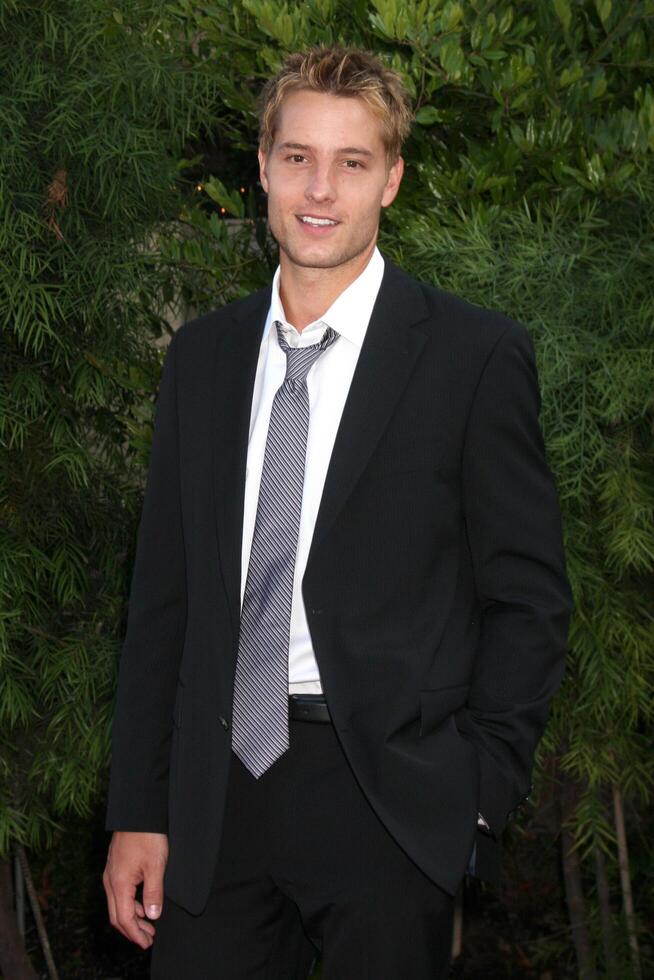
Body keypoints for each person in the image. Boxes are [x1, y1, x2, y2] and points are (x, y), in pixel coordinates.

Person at [103, 46, 572, 980]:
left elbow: (530, 600)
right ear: (265, 170)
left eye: (351, 163)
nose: (321, 189)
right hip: (217, 794)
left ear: (391, 179)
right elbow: (161, 600)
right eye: (298, 157)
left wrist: (476, 791)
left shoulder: (472, 359)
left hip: (388, 798)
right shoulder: (202, 358)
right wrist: (138, 808)